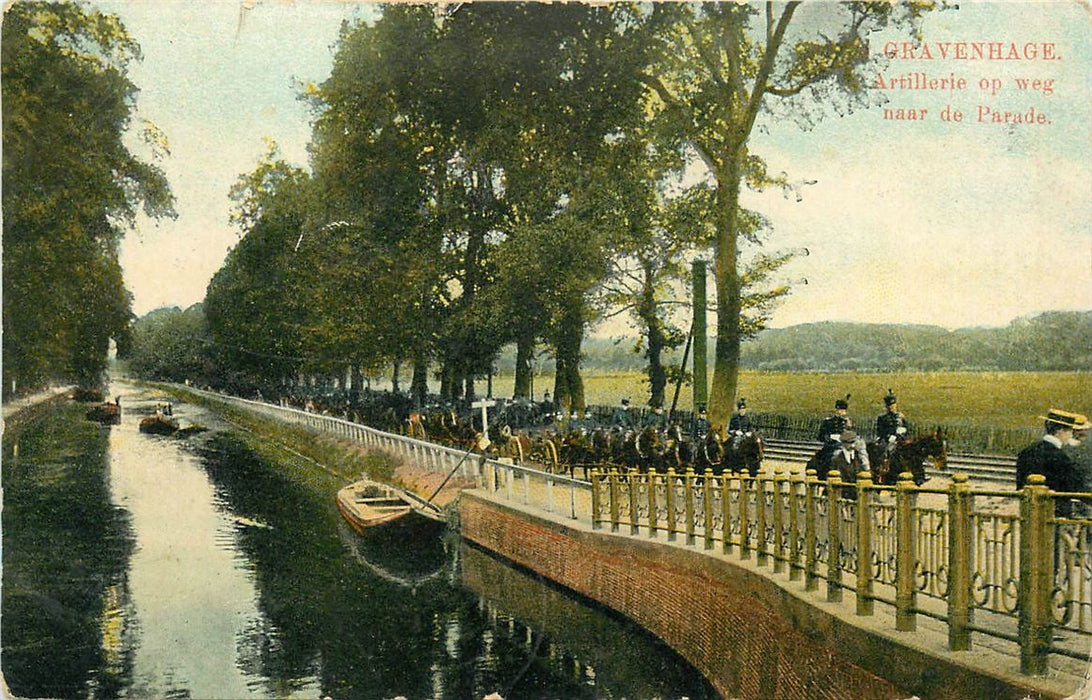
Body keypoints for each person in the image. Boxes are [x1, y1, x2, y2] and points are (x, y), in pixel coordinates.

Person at [1016, 409, 1088, 516]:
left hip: (1028, 513)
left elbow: (1019, 485)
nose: (1071, 435)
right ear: (1060, 430)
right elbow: (1074, 486)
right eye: (1070, 431)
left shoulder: (1026, 451)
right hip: (1054, 514)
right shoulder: (1061, 458)